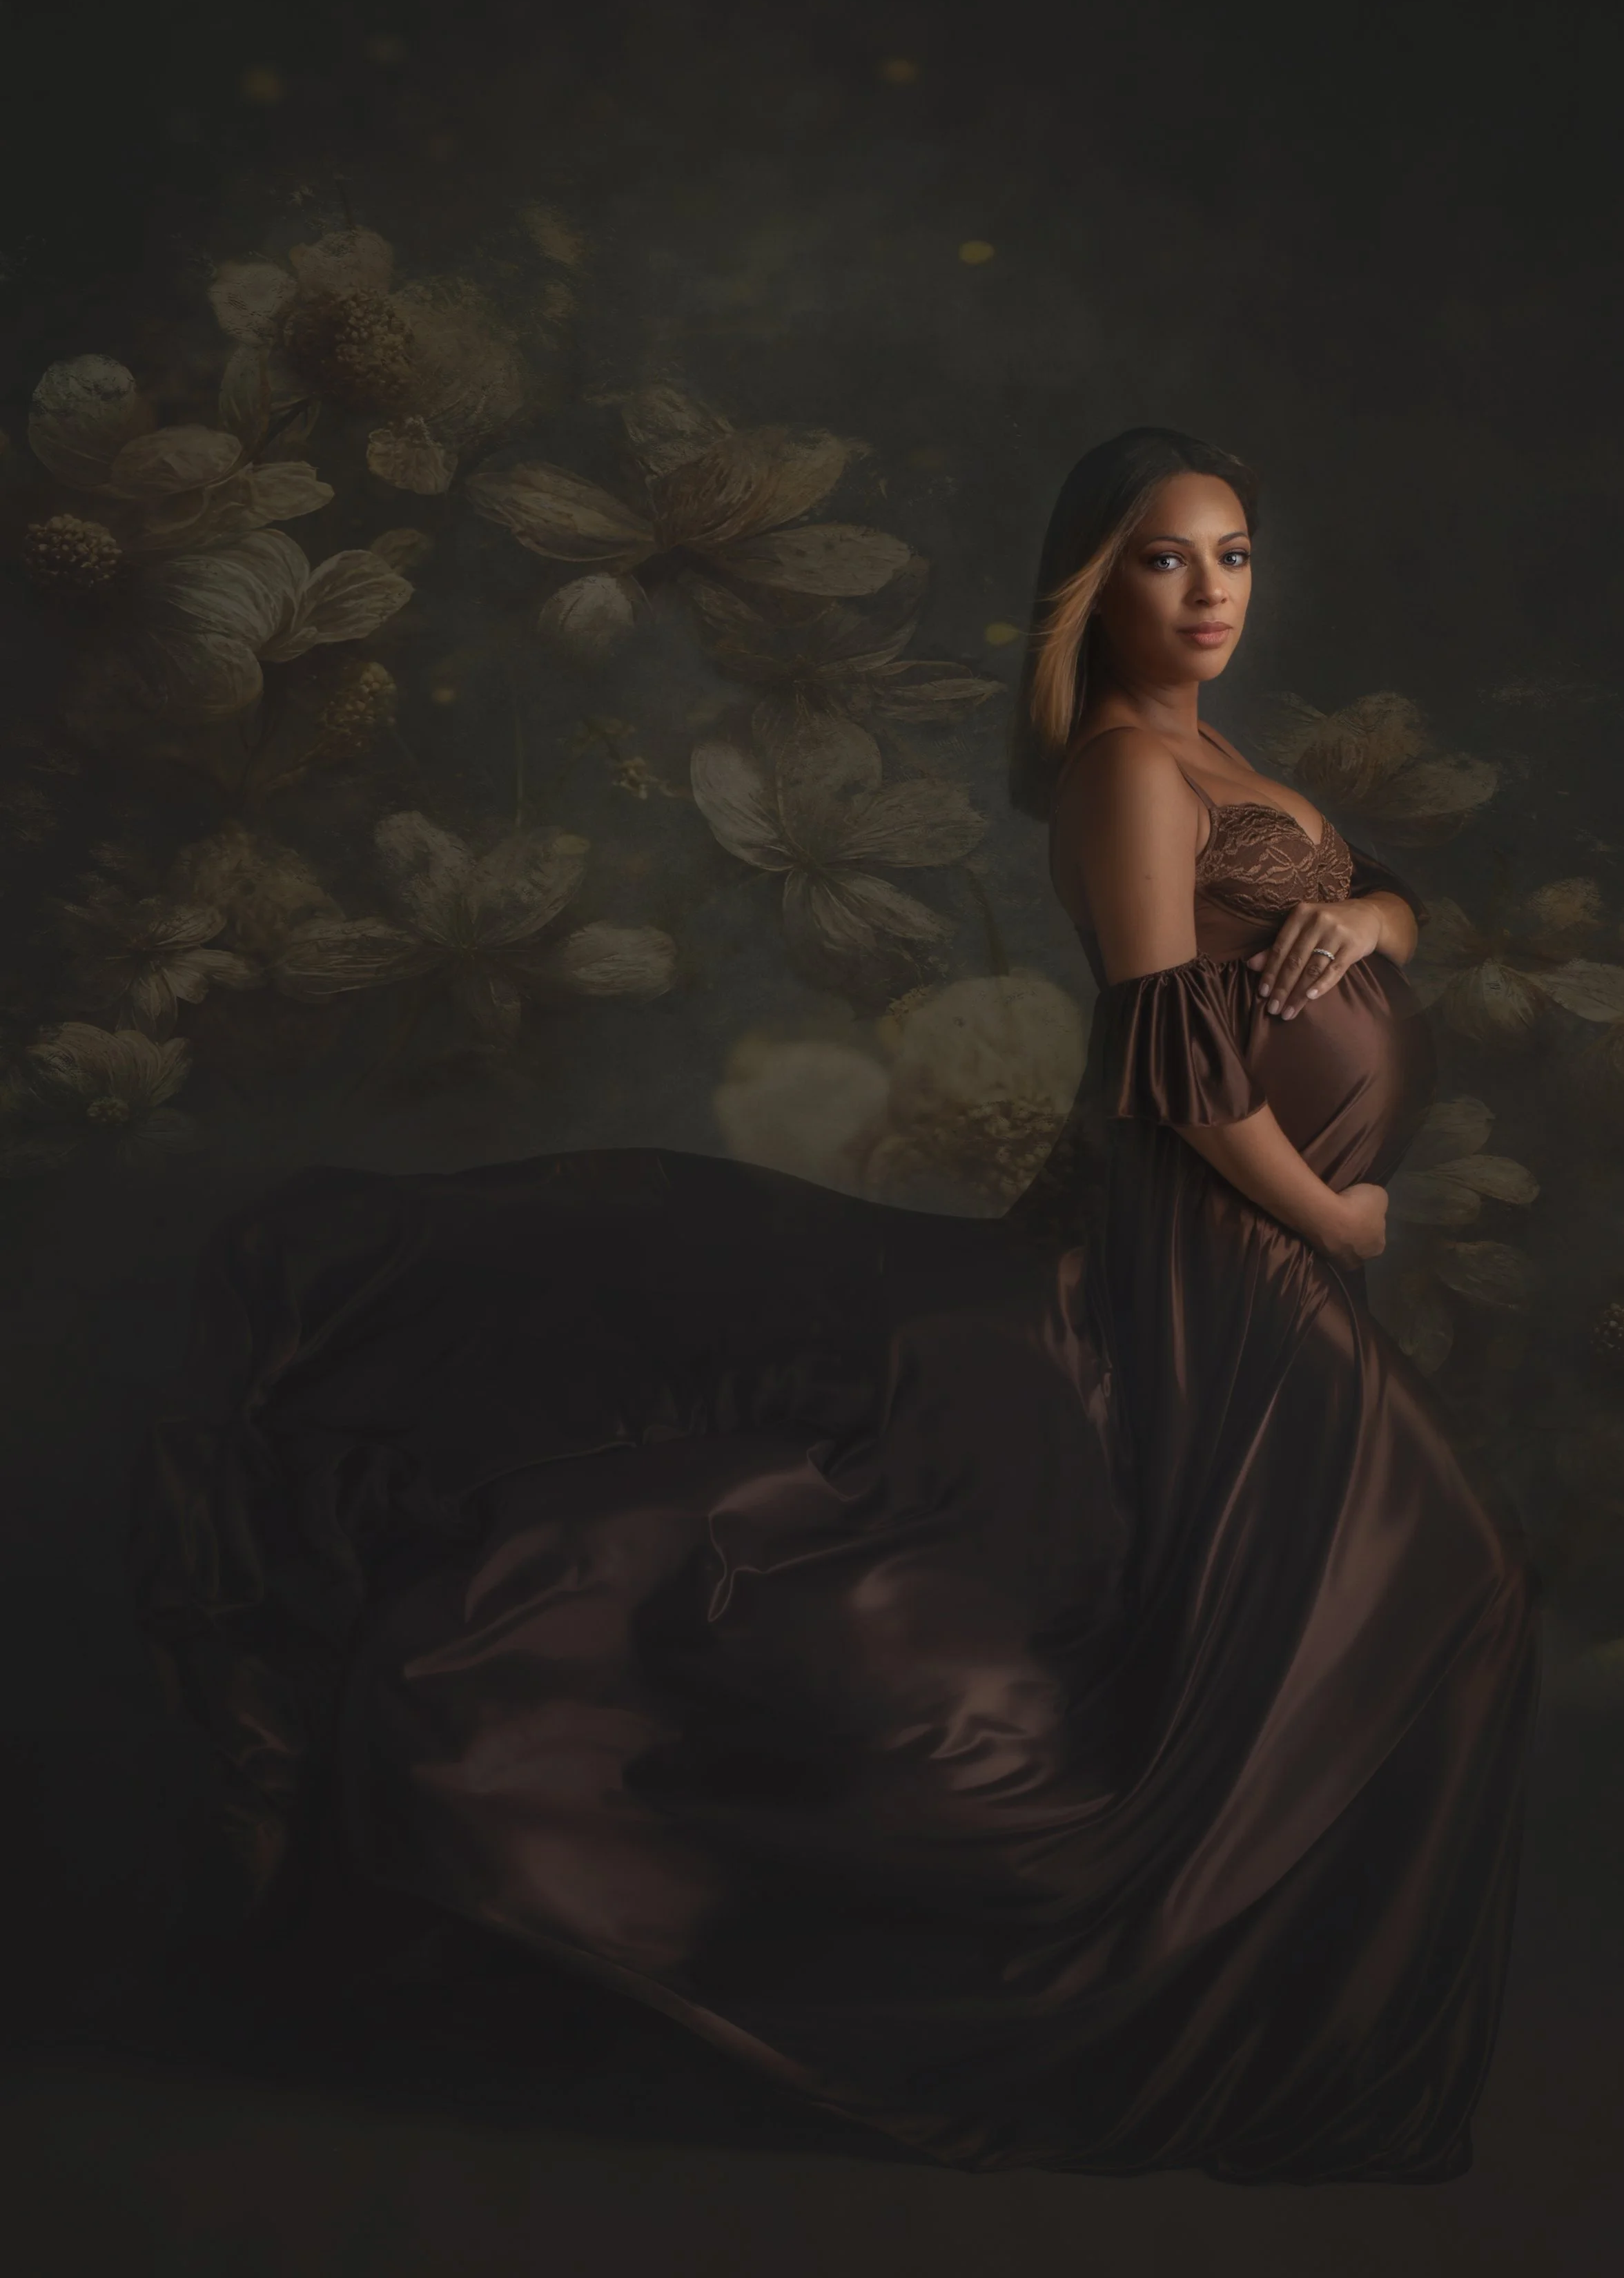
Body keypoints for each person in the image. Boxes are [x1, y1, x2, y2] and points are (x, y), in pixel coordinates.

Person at [133, 426, 1540, 2183]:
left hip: (1245, 1258)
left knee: (1386, 1614)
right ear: (1089, 589)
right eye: (1165, 562)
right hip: (1207, 1258)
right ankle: (1202, 2031)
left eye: (1233, 556)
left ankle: (1291, 2038)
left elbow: (1379, 875)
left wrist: (1376, 923)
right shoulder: (1122, 770)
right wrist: (1326, 1205)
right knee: (1431, 1595)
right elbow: (1169, 1055)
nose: (1207, 596)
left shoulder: (1218, 751)